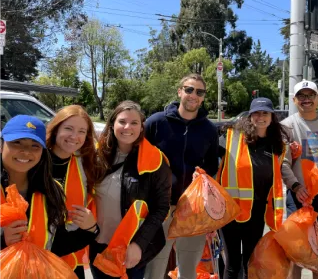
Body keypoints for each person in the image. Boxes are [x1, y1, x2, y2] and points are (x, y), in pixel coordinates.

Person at [216, 97, 306, 279]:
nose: (260, 117)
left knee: (252, 261)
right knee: (232, 263)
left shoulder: (277, 145)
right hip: (231, 211)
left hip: (257, 212)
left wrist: (296, 186)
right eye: (256, 113)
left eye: (265, 113)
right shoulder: (232, 137)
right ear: (250, 117)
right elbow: (212, 158)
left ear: (272, 117)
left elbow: (283, 168)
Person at [144, 73, 219, 279]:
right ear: (180, 92)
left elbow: (212, 168)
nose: (193, 95)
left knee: (188, 270)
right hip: (161, 207)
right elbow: (139, 160)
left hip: (193, 209)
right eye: (189, 89)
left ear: (203, 97)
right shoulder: (156, 122)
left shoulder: (209, 130)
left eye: (199, 92)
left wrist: (203, 178)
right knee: (155, 268)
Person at [90, 100, 172, 279]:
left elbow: (161, 208)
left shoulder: (155, 160)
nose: (128, 127)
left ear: (142, 127)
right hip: (97, 245)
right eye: (122, 122)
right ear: (112, 125)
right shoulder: (96, 156)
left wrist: (139, 244)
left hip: (130, 248)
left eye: (134, 123)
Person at [0, 115, 99, 259]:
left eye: (35, 145)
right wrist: (2, 238)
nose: (26, 151)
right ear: (1, 146)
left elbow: (55, 245)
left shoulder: (51, 190)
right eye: (17, 142)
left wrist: (90, 230)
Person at [46, 105, 103, 279]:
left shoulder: (86, 162)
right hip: (39, 251)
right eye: (68, 128)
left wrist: (91, 228)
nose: (74, 136)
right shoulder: (36, 160)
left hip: (72, 248)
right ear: (56, 130)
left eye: (81, 131)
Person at [281, 80, 318, 279]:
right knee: (295, 252)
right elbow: (283, 163)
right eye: (302, 96)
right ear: (294, 100)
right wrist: (296, 186)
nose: (306, 100)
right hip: (297, 196)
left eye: (310, 95)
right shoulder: (287, 126)